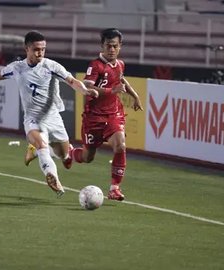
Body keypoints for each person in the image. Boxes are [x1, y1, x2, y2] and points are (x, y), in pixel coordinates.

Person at [0, 30, 98, 197]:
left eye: (43, 49)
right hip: (32, 119)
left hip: (53, 117)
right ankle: (53, 177)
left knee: (63, 154)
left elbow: (72, 81)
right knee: (42, 145)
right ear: (27, 49)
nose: (40, 53)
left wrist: (84, 91)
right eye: (36, 49)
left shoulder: (51, 66)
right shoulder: (18, 68)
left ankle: (36, 152)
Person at [26, 28, 143, 201]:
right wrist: (113, 90)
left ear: (120, 46)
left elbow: (121, 78)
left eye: (115, 46)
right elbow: (88, 88)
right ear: (102, 46)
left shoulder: (120, 64)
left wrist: (135, 96)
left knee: (120, 145)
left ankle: (114, 188)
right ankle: (61, 152)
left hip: (113, 114)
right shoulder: (95, 65)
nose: (112, 49)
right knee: (87, 157)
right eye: (108, 46)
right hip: (93, 117)